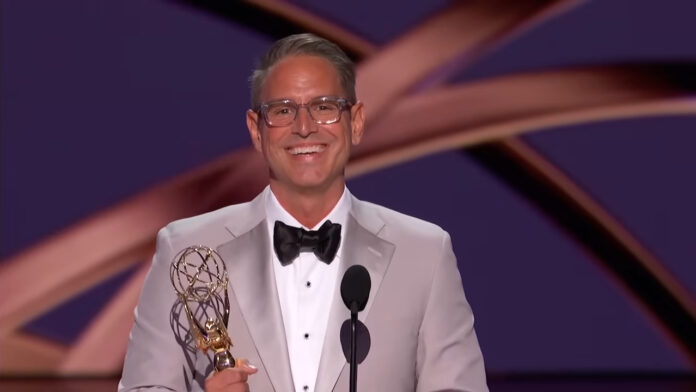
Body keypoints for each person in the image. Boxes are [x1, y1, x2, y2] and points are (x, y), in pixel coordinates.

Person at [119, 33, 487, 392]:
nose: (305, 127)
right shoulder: (187, 250)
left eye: (324, 107)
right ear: (256, 130)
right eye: (283, 111)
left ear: (355, 122)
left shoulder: (424, 252)